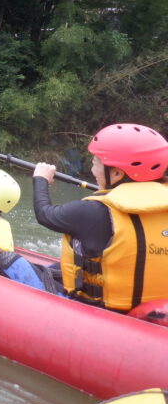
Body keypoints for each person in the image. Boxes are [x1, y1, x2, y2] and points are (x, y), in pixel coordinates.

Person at [30, 122, 168, 312]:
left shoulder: (94, 211)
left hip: (105, 309)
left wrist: (41, 179)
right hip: (155, 309)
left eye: (95, 163)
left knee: (3, 262)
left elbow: (44, 214)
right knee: (56, 267)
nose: (93, 170)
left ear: (117, 173)